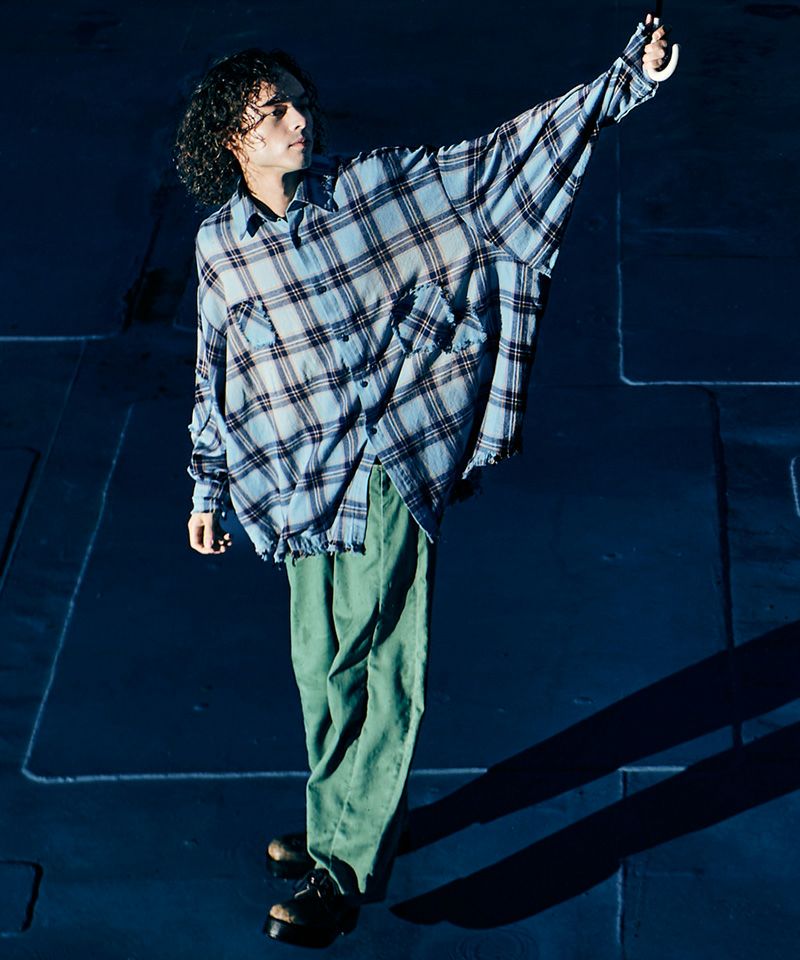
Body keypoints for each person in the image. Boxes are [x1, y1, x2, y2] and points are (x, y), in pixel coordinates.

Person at [174, 12, 672, 948]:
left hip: (383, 462)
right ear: (231, 138)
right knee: (320, 667)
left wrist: (624, 83)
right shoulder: (221, 246)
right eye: (273, 111)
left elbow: (493, 167)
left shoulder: (370, 192)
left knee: (381, 663)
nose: (297, 120)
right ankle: (336, 817)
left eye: (298, 102)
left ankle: (342, 872)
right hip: (294, 480)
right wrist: (208, 486)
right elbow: (218, 368)